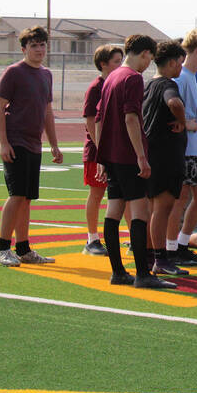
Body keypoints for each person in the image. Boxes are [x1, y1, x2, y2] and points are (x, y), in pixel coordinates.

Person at [94, 34, 175, 289]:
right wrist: (141, 156)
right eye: (149, 58)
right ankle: (142, 273)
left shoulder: (112, 77)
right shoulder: (131, 78)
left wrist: (101, 156)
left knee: (113, 211)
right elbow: (131, 118)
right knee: (139, 212)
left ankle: (118, 272)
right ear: (144, 54)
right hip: (128, 155)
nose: (148, 64)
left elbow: (99, 119)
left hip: (112, 155)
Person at [0, 25, 63, 267]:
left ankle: (23, 248)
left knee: (27, 198)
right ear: (24, 49)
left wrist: (54, 144)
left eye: (42, 45)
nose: (39, 49)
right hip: (16, 141)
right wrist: (3, 142)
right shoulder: (13, 73)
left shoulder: (46, 74)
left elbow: (47, 112)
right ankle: (2, 248)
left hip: (35, 144)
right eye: (34, 45)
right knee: (16, 195)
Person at [143, 40, 194, 278]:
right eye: (180, 63)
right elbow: (173, 102)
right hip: (165, 155)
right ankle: (160, 258)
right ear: (173, 62)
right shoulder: (167, 84)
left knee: (154, 208)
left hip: (153, 153)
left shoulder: (148, 85)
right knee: (162, 209)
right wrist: (182, 121)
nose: (180, 68)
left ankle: (151, 255)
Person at [167, 28, 197, 266]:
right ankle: (173, 247)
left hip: (196, 150)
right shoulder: (182, 78)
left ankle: (181, 243)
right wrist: (186, 124)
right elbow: (170, 109)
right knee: (181, 199)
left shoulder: (193, 76)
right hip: (186, 151)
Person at [81, 44, 123, 257]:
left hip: (116, 150)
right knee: (96, 193)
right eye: (116, 61)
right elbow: (90, 120)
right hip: (98, 151)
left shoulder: (118, 84)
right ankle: (92, 239)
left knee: (122, 194)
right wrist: (102, 150)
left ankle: (129, 237)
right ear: (103, 64)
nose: (120, 65)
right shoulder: (96, 87)